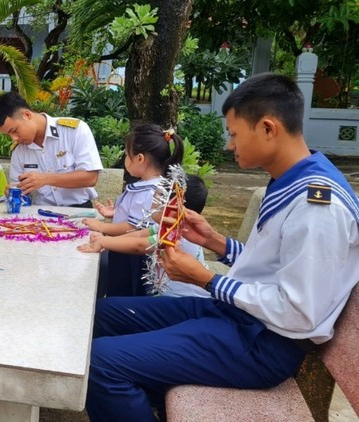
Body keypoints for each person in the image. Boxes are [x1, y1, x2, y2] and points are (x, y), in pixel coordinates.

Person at [85, 73, 359, 422]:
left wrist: (206, 280)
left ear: (268, 128)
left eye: (234, 134)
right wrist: (216, 241)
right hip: (237, 315)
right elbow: (274, 268)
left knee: (100, 362)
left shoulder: (317, 207)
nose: (230, 145)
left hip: (262, 344)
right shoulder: (293, 179)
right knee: (104, 315)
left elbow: (300, 312)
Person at [80, 124, 183, 297]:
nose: (126, 159)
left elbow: (133, 227)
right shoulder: (154, 185)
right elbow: (140, 219)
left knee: (122, 294)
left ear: (140, 158)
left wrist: (102, 227)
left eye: (127, 155)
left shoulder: (149, 191)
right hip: (128, 247)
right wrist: (116, 213)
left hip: (131, 255)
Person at [78, 174, 210, 299]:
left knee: (105, 306)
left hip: (182, 300)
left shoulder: (177, 234)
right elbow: (139, 234)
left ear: (173, 208)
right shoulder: (168, 225)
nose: (152, 204)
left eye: (157, 199)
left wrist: (103, 242)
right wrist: (107, 239)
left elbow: (140, 245)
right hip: (164, 291)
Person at [0, 91, 103, 207]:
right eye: (8, 135)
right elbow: (20, 189)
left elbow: (91, 178)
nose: (14, 138)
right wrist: (14, 192)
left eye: (14, 131)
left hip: (79, 210)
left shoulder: (74, 131)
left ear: (27, 115)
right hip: (41, 211)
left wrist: (45, 179)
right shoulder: (19, 150)